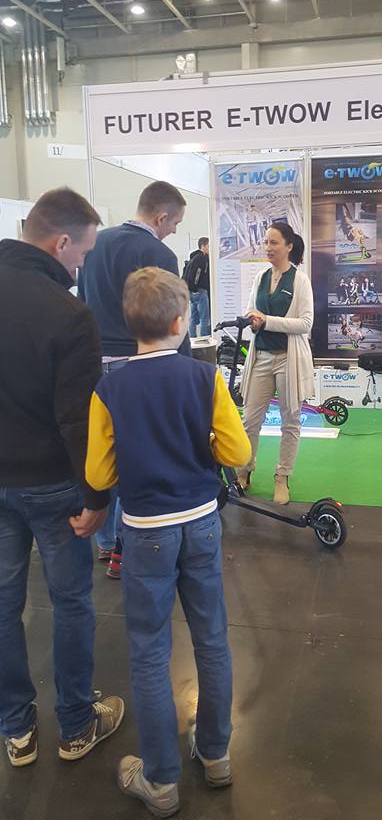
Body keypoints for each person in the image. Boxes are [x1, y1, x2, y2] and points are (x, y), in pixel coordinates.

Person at [85, 267, 250, 817]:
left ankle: (159, 780)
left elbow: (99, 474)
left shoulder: (108, 389)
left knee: (151, 653)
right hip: (201, 524)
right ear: (181, 322)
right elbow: (238, 453)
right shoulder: (206, 378)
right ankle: (216, 753)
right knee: (212, 640)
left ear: (129, 322)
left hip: (144, 533)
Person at [0, 187, 124, 769]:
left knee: (3, 605)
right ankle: (76, 725)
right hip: (53, 484)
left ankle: (16, 730)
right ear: (61, 242)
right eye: (83, 255)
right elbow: (79, 421)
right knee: (72, 601)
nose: (81, 267)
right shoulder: (71, 315)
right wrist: (98, 497)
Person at [78, 180, 191, 578]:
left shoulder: (95, 245)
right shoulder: (159, 253)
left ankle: (106, 542)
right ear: (160, 217)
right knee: (138, 457)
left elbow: (82, 304)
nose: (173, 230)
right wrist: (184, 369)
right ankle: (126, 549)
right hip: (138, 367)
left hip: (96, 367)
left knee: (104, 451)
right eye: (174, 223)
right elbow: (174, 317)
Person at [237, 223, 314, 506]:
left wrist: (267, 321)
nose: (268, 248)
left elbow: (306, 323)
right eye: (266, 242)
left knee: (290, 421)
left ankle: (282, 477)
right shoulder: (260, 277)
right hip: (260, 357)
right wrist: (253, 320)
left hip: (287, 359)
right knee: (249, 420)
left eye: (274, 242)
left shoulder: (299, 280)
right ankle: (244, 469)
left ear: (289, 246)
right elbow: (251, 310)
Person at [184, 236, 211, 337]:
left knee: (193, 318)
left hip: (191, 291)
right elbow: (198, 274)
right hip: (200, 290)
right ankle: (205, 339)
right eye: (208, 246)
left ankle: (192, 338)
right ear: (203, 246)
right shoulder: (201, 258)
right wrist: (196, 288)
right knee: (205, 318)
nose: (210, 248)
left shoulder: (193, 257)